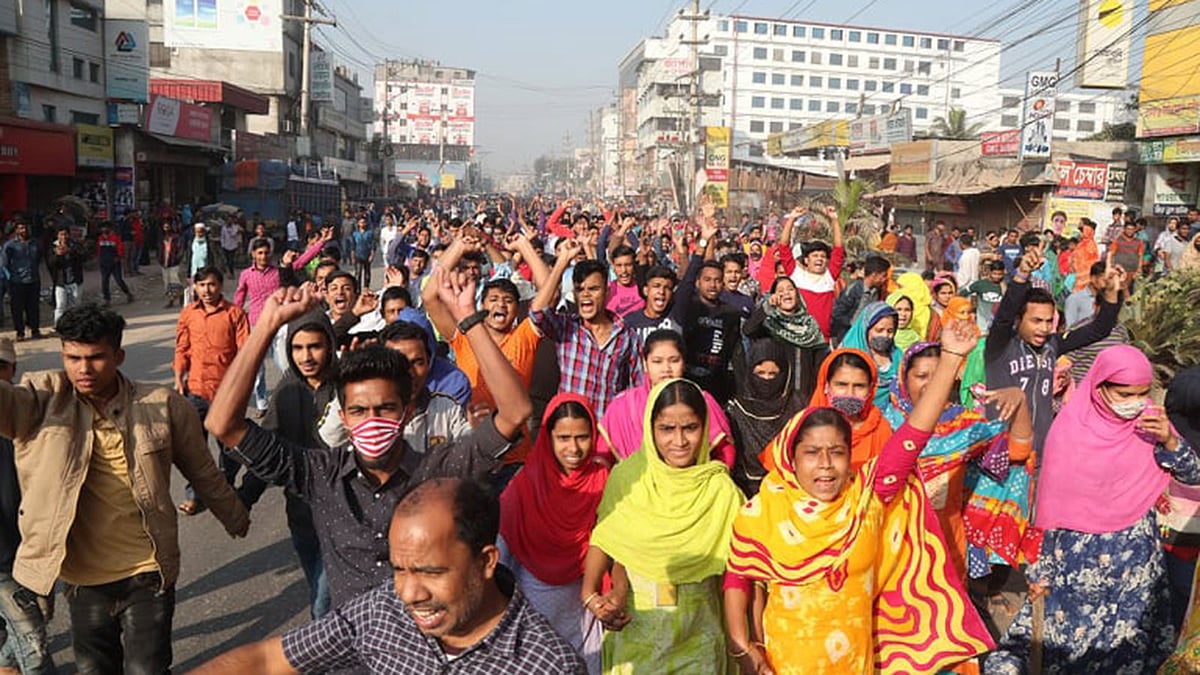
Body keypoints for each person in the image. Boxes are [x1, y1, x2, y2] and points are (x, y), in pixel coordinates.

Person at [205, 268, 532, 609]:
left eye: (386, 408)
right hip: (355, 647)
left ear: (406, 412)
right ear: (342, 417)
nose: (373, 422)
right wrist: (267, 327)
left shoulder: (438, 469)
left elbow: (515, 412)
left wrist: (468, 318)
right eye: (360, 411)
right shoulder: (321, 474)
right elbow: (222, 423)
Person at [724, 320, 993, 675]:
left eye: (836, 452)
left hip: (856, 663)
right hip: (784, 663)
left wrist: (951, 358)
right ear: (792, 457)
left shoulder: (865, 498)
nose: (825, 465)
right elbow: (738, 577)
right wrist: (742, 646)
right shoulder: (766, 508)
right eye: (812, 453)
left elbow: (913, 436)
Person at [0, 303, 249, 673]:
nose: (83, 369)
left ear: (118, 355)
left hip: (147, 573)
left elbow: (203, 471)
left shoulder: (162, 405)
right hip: (83, 581)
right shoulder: (41, 400)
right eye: (73, 357)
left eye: (96, 357)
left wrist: (236, 518)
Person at [189, 478, 587, 674]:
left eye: (431, 572)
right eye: (399, 569)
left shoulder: (547, 663)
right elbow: (266, 660)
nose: (410, 593)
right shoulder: (383, 611)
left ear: (486, 561)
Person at [985, 346, 1199, 674]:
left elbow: (1193, 474)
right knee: (1071, 652)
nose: (1135, 403)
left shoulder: (1150, 427)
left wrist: (1171, 441)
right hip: (1077, 567)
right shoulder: (1069, 433)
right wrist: (1042, 570)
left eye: (1143, 394)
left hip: (1136, 569)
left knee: (1130, 653)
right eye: (1125, 394)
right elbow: (1051, 509)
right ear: (1100, 387)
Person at [582, 379, 744, 674]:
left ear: (705, 427)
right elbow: (610, 542)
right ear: (650, 428)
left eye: (690, 428)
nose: (679, 441)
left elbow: (745, 572)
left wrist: (745, 642)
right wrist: (593, 595)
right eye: (667, 429)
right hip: (636, 637)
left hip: (699, 640)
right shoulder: (628, 479)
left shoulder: (721, 491)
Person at [882, 342, 1032, 581]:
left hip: (947, 543)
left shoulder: (965, 426)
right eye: (921, 376)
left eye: (940, 376)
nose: (932, 385)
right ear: (903, 378)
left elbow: (1017, 452)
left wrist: (1021, 402)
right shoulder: (883, 425)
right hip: (893, 544)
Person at [498, 394, 608, 674]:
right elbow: (502, 554)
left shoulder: (605, 480)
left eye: (582, 437)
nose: (573, 448)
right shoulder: (525, 484)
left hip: (585, 609)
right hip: (533, 611)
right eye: (563, 438)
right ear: (548, 437)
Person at [985, 249, 1123, 452]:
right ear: (1018, 320)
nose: (1044, 328)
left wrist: (1111, 294)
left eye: (1049, 321)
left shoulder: (1052, 345)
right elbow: (1004, 317)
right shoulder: (1000, 346)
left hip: (1041, 449)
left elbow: (1099, 330)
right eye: (1036, 321)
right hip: (1001, 449)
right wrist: (1022, 275)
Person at [530, 241, 641, 416]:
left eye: (594, 289)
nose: (586, 294)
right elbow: (537, 314)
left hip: (607, 431)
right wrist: (562, 262)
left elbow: (637, 388)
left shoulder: (627, 336)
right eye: (580, 289)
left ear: (607, 292)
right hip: (570, 429)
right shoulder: (566, 327)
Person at [173, 266, 250, 516]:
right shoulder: (188, 314)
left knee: (228, 448)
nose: (207, 290)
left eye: (212, 285)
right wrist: (178, 377)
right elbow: (181, 348)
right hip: (195, 390)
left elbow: (245, 353)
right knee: (195, 449)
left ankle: (224, 489)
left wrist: (240, 388)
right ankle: (194, 494)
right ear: (194, 287)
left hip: (225, 394)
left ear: (220, 286)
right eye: (202, 285)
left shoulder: (234, 314)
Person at [0, 338, 56, 674]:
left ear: (13, 369)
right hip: (3, 560)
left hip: (28, 554)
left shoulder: (31, 419)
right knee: (34, 645)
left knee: (21, 639)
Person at [597, 329, 733, 466]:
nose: (666, 369)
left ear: (684, 362)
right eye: (657, 362)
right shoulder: (623, 406)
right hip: (635, 484)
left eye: (674, 361)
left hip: (693, 483)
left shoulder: (702, 401)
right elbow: (602, 456)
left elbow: (725, 453)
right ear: (645, 364)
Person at [726, 338, 805, 497]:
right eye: (760, 373)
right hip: (744, 490)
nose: (767, 379)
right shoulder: (735, 409)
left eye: (773, 374)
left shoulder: (797, 406)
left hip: (788, 489)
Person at [743, 276, 827, 402]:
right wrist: (767, 308)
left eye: (790, 289)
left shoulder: (810, 327)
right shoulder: (770, 325)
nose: (786, 293)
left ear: (797, 295)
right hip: (778, 398)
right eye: (780, 290)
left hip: (806, 396)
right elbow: (748, 330)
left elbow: (819, 365)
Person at [775, 205, 844, 339]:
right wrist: (792, 219)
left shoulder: (829, 277)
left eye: (823, 256)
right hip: (798, 337)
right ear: (806, 260)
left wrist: (834, 220)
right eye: (815, 256)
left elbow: (839, 250)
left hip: (821, 339)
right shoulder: (796, 274)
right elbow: (783, 248)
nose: (819, 259)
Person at [840, 301, 902, 408]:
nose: (885, 335)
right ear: (866, 329)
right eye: (879, 330)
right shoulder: (849, 356)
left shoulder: (898, 356)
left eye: (890, 331)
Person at [830, 255, 891, 343]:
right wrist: (853, 323)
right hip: (848, 335)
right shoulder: (853, 290)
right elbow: (837, 314)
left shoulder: (876, 291)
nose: (885, 279)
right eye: (883, 276)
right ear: (874, 275)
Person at [1, 222, 40, 341]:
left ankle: (35, 330)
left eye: (26, 227)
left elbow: (39, 259)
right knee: (17, 308)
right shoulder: (10, 245)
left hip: (33, 280)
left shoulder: (35, 243)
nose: (25, 230)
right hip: (17, 282)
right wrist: (10, 279)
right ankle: (20, 332)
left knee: (33, 307)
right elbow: (4, 264)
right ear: (17, 231)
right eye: (21, 228)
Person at [46, 227, 84, 327]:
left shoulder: (74, 245)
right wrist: (58, 255)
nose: (63, 237)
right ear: (57, 236)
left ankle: (75, 325)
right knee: (60, 305)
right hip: (61, 282)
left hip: (75, 280)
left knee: (75, 305)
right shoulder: (52, 247)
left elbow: (83, 257)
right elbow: (50, 263)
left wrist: (69, 251)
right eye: (61, 234)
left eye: (65, 234)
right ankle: (58, 325)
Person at [158, 222, 186, 308]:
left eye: (167, 227)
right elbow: (159, 250)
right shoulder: (161, 239)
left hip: (173, 263)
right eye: (164, 227)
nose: (166, 229)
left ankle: (181, 296)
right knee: (167, 283)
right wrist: (159, 259)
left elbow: (180, 250)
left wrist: (177, 259)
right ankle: (171, 300)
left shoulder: (176, 238)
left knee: (175, 281)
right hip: (164, 262)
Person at [350, 216, 375, 291]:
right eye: (361, 222)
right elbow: (352, 246)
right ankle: (358, 290)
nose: (362, 224)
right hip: (358, 255)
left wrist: (372, 255)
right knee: (358, 274)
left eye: (364, 222)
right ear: (358, 223)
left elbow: (373, 245)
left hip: (367, 255)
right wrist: (352, 257)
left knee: (367, 274)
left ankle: (366, 288)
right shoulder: (355, 234)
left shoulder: (370, 233)